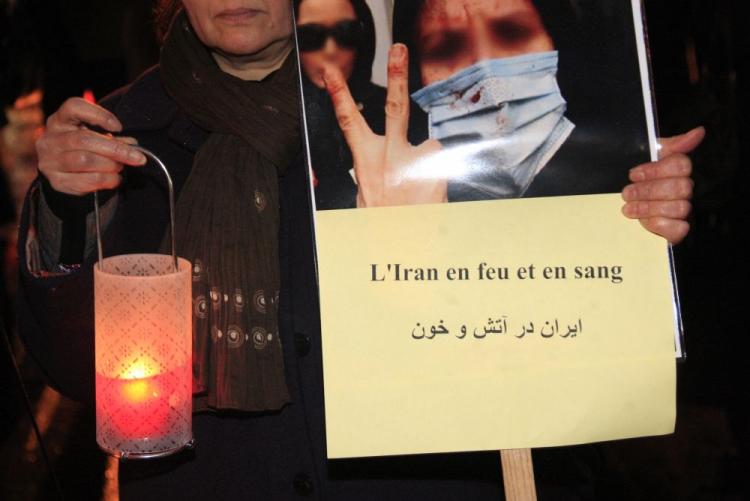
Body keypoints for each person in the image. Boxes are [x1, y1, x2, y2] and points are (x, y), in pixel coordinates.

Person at [19, 1, 699, 500]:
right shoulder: (115, 139)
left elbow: (543, 320)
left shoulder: (408, 128)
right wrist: (61, 209)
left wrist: (628, 210)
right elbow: (73, 369)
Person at [322, 0, 702, 244]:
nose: (487, 76)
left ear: (556, 40)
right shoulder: (372, 197)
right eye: (445, 48)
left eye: (513, 33)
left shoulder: (620, 172)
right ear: (415, 71)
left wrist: (650, 215)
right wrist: (380, 242)